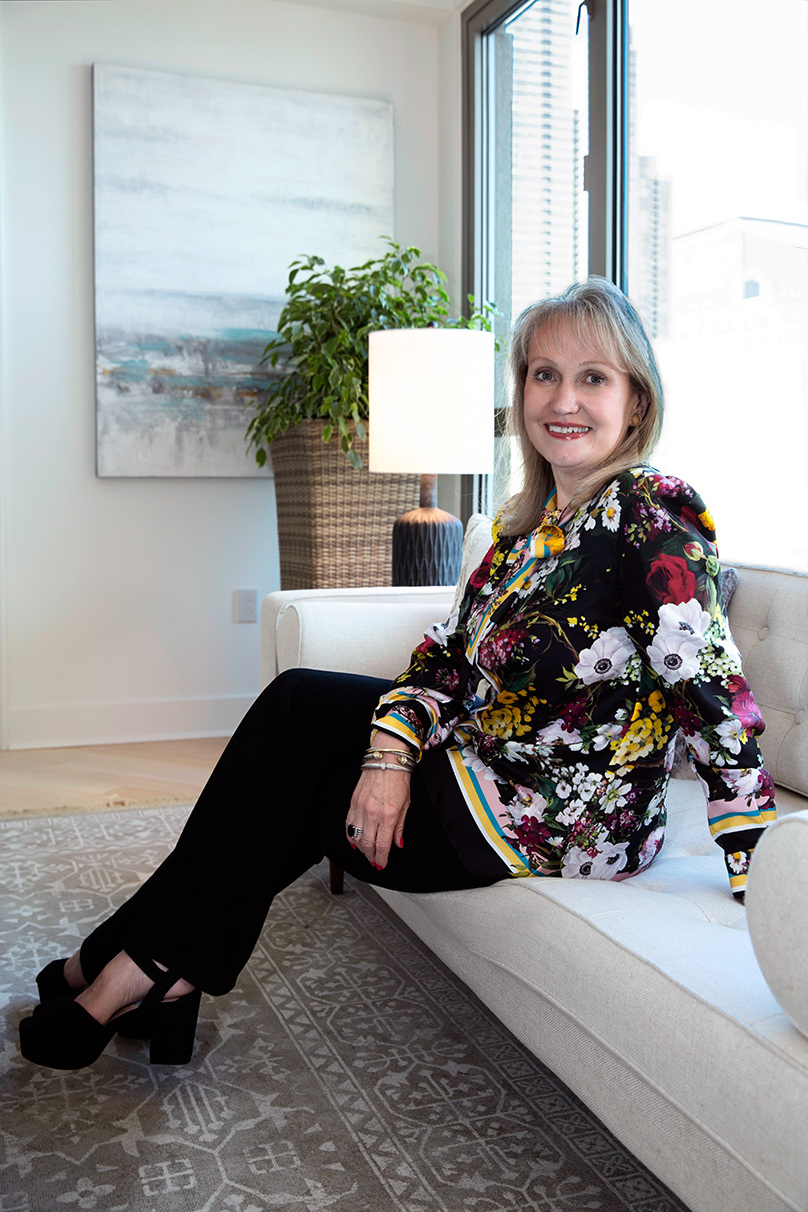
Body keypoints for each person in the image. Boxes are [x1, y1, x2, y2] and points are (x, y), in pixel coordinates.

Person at [19, 277, 776, 1071]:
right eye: (543, 373)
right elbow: (443, 659)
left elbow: (712, 692)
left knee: (301, 766)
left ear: (636, 403)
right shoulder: (527, 531)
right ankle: (146, 975)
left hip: (563, 812)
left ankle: (118, 971)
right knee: (299, 709)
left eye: (594, 377)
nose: (564, 398)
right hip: (485, 758)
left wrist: (755, 873)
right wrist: (389, 754)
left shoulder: (652, 513)